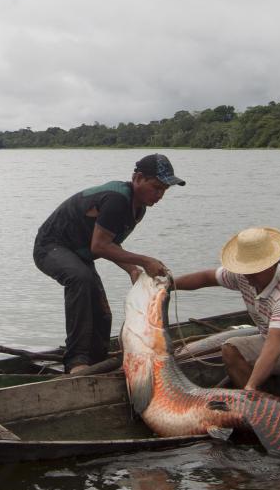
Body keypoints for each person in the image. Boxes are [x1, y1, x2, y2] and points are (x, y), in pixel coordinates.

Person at [33, 154, 186, 374]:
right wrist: (144, 261)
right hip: (51, 247)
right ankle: (76, 362)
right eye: (156, 187)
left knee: (103, 314)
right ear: (138, 178)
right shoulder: (117, 200)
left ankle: (95, 363)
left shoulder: (138, 208)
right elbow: (99, 247)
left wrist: (132, 269)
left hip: (79, 255)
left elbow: (110, 244)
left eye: (164, 190)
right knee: (80, 280)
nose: (159, 195)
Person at [172, 226, 280, 412]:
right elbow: (205, 278)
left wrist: (250, 386)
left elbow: (273, 348)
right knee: (230, 348)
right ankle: (260, 408)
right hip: (277, 341)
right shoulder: (243, 275)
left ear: (273, 264)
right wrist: (169, 284)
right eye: (246, 269)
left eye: (255, 270)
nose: (249, 276)